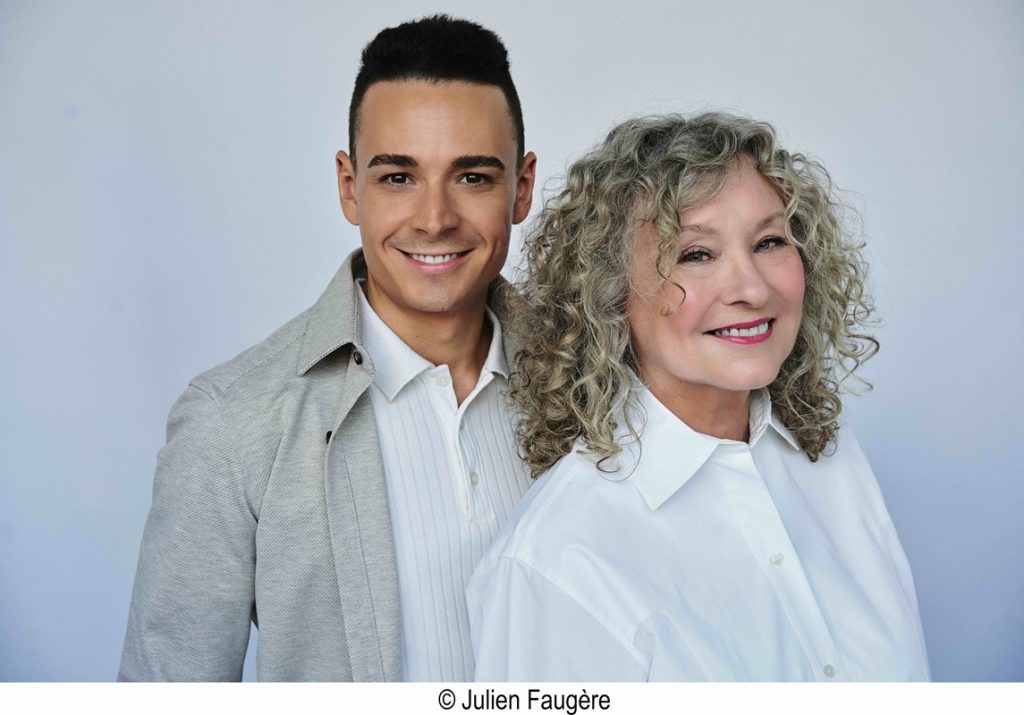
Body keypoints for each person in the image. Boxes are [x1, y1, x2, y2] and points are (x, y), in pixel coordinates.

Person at [120, 15, 537, 681]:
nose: (435, 218)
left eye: (473, 177)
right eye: (398, 177)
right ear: (350, 187)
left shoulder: (597, 384)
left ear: (521, 187)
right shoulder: (233, 424)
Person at [467, 113, 930, 681]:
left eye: (769, 242)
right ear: (609, 293)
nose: (753, 288)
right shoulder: (557, 562)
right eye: (696, 254)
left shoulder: (833, 462)